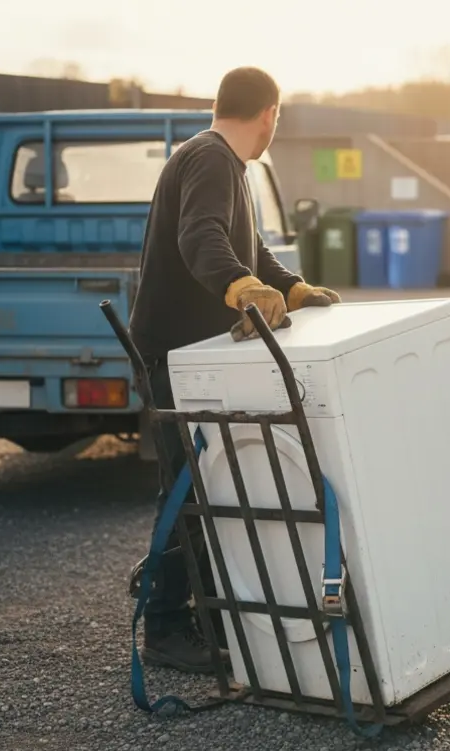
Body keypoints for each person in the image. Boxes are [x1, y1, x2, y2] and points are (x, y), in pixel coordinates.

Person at [127, 66, 342, 673]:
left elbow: (247, 248)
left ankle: (209, 610)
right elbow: (202, 238)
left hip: (191, 358)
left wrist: (290, 288)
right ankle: (166, 628)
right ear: (271, 113)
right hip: (173, 356)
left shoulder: (218, 160)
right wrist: (240, 284)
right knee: (187, 491)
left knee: (209, 484)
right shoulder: (212, 160)